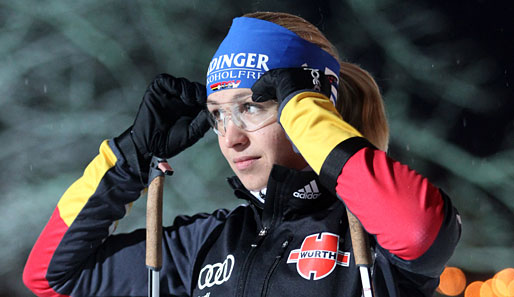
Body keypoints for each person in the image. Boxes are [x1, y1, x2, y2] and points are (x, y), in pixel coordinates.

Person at [23, 11, 461, 297]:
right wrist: (129, 159)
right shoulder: (203, 243)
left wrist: (307, 115)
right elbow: (50, 277)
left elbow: (419, 232)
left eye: (252, 107)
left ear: (307, 107)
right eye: (217, 115)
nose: (230, 137)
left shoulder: (373, 233)